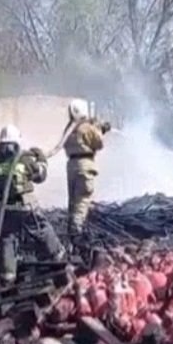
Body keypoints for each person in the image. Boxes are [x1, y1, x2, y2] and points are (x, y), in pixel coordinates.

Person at [0, 124, 66, 283]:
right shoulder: (24, 160)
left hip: (5, 209)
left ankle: (8, 276)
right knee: (41, 229)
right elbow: (41, 176)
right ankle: (58, 255)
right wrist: (41, 158)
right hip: (25, 207)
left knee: (7, 238)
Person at [64, 98, 111, 247]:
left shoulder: (69, 129)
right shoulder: (86, 127)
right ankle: (77, 236)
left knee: (73, 202)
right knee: (82, 201)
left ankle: (70, 237)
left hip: (71, 165)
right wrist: (100, 129)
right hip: (84, 165)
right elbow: (99, 143)